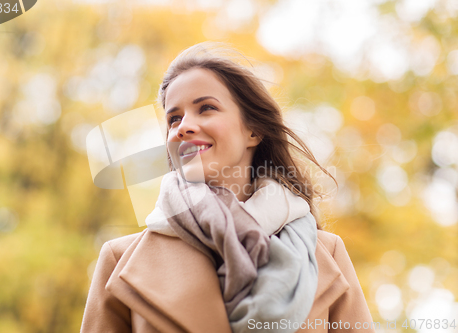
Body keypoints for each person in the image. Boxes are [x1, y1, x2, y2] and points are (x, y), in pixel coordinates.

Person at [80, 41, 376, 333]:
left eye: (206, 108)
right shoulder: (121, 260)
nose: (183, 126)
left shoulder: (325, 253)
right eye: (174, 118)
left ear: (253, 130)